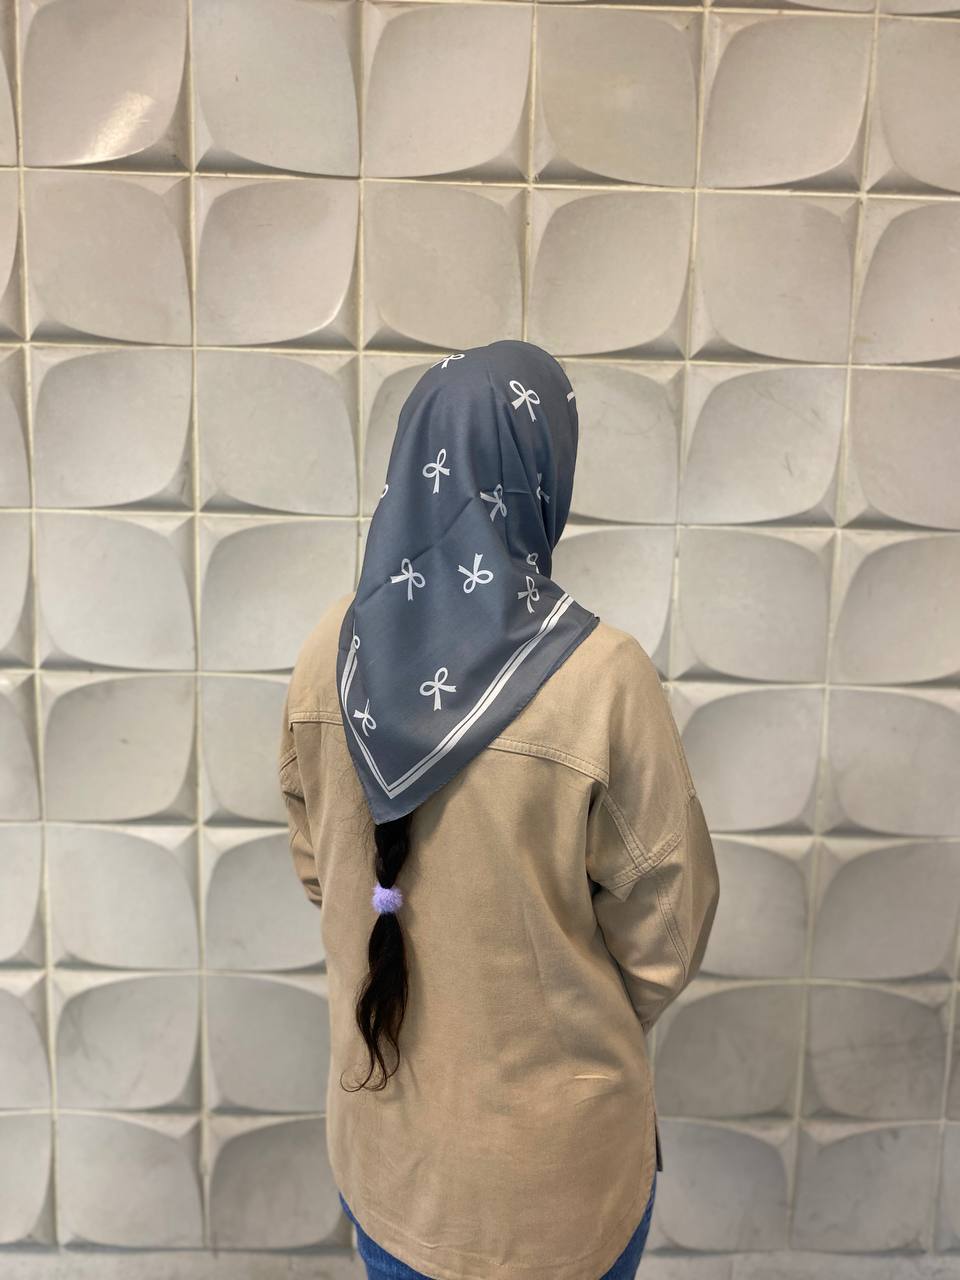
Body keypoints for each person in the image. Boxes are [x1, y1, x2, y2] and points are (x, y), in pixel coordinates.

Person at [277, 338, 720, 1280]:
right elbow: (667, 935)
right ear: (541, 466)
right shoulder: (603, 678)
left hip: (385, 1158)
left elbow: (319, 865)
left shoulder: (327, 650)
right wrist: (553, 1007)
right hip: (556, 1189)